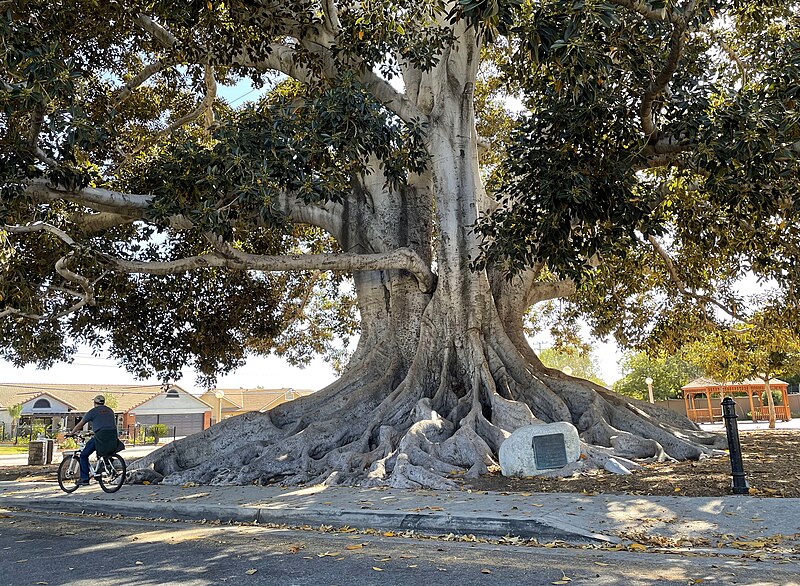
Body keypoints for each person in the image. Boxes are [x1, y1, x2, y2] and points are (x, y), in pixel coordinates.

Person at [69, 395, 120, 485]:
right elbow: (105, 424)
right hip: (112, 436)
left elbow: (80, 424)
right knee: (104, 452)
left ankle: (84, 479)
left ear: (94, 403)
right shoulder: (110, 410)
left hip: (100, 436)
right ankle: (106, 465)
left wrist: (72, 433)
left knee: (84, 455)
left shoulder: (92, 412)